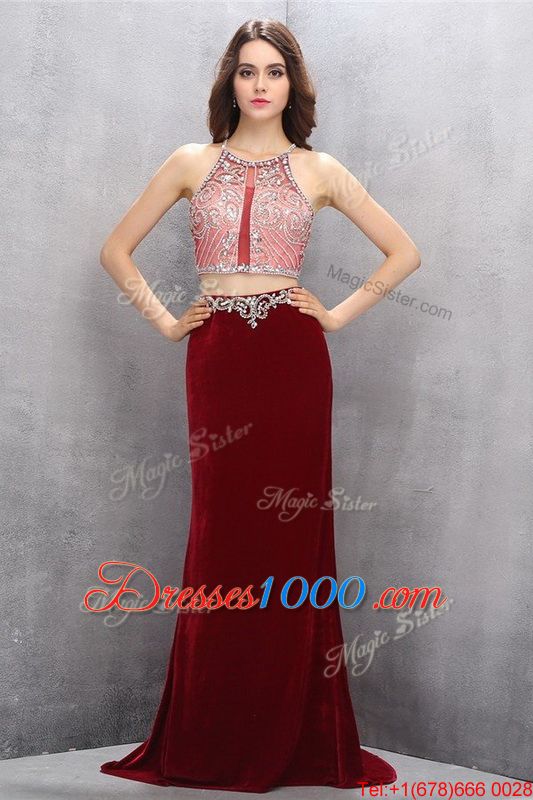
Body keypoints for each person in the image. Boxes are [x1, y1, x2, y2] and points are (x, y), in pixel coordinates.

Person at [99, 17, 420, 793]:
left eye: (273, 71)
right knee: (222, 538)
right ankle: (213, 733)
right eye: (247, 71)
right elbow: (115, 250)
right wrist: (168, 322)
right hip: (217, 360)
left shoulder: (318, 170)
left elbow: (404, 251)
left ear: (291, 84)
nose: (260, 85)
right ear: (230, 82)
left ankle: (292, 734)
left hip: (291, 359)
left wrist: (335, 315)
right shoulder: (190, 161)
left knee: (288, 540)